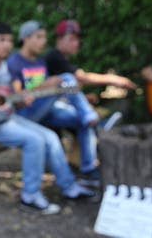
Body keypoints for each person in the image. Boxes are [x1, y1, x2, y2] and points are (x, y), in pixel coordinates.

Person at [0, 22, 94, 215]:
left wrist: (22, 100)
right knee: (34, 140)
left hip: (4, 116)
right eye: (1, 40)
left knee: (50, 136)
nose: (7, 45)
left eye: (9, 40)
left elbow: (7, 97)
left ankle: (69, 187)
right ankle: (30, 195)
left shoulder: (4, 66)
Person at [7, 20, 100, 186]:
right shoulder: (14, 62)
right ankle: (88, 115)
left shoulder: (40, 62)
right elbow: (17, 99)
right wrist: (47, 85)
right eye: (39, 37)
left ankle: (88, 170)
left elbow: (51, 94)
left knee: (81, 119)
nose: (44, 41)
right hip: (25, 114)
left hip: (46, 110)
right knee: (66, 78)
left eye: (44, 37)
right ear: (26, 38)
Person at [45, 19, 137, 91]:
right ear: (59, 40)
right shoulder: (54, 56)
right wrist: (112, 79)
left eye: (77, 39)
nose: (76, 43)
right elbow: (82, 77)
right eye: (71, 39)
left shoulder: (59, 56)